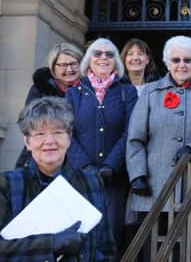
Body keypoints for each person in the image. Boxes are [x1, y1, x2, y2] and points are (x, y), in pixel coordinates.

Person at [0, 96, 116, 261]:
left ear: (69, 138)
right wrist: (52, 243)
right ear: (27, 142)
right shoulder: (5, 184)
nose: (49, 141)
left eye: (58, 132)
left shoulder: (92, 182)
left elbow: (106, 249)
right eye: (40, 134)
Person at [126, 35, 191, 256]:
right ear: (167, 62)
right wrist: (137, 175)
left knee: (188, 252)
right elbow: (135, 139)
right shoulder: (150, 92)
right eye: (176, 60)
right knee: (153, 253)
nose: (182, 65)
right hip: (153, 188)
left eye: (187, 60)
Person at [66, 37, 138, 256]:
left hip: (114, 180)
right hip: (80, 178)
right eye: (97, 53)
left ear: (116, 61)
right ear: (89, 61)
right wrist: (86, 166)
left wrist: (110, 165)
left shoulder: (127, 92)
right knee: (79, 237)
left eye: (109, 54)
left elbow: (131, 132)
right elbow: (66, 133)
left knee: (111, 238)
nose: (103, 58)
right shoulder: (73, 94)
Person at [15, 42, 84, 168]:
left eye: (74, 64)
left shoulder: (90, 90)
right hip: (46, 156)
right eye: (63, 65)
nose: (69, 69)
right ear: (53, 68)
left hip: (81, 157)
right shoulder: (40, 89)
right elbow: (26, 123)